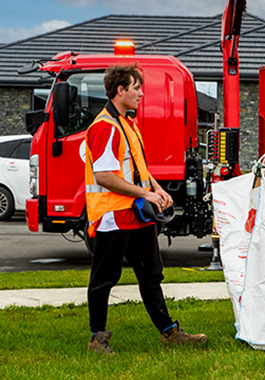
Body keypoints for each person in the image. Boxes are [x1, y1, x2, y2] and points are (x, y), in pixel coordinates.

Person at [85, 63, 207, 354]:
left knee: (151, 274)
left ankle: (169, 332)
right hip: (113, 215)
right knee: (104, 279)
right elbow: (104, 175)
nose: (141, 93)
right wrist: (145, 194)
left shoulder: (128, 123)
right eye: (136, 88)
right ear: (120, 90)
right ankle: (96, 340)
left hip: (137, 213)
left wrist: (157, 188)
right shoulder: (105, 128)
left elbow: (138, 168)